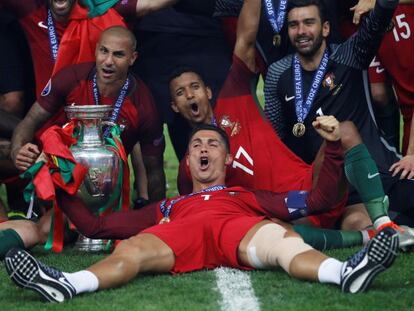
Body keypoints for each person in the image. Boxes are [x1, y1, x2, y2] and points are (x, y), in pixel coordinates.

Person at [3, 125, 400, 303]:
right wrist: (61, 182)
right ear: (188, 162)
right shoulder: (167, 206)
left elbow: (316, 201)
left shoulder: (247, 194)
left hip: (239, 226)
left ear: (226, 159)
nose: (204, 148)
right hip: (181, 230)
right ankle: (70, 283)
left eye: (213, 143)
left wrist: (332, 149)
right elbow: (95, 226)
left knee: (281, 241)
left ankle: (344, 274)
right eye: (196, 144)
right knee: (134, 249)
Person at [0, 26, 164, 253]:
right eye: (104, 51)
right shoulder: (72, 78)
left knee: (130, 237)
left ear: (132, 58)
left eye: (118, 55)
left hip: (111, 197)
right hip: (68, 188)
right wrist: (18, 150)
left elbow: (155, 172)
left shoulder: (143, 104)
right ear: (95, 50)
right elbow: (29, 121)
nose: (108, 61)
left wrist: (157, 218)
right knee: (44, 230)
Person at [263, 0, 414, 230]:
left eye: (308, 23)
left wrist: (378, 3)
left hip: (381, 172)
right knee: (356, 224)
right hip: (331, 189)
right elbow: (274, 141)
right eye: (294, 25)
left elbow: (379, 18)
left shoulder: (349, 55)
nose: (301, 31)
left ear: (325, 28)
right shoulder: (277, 74)